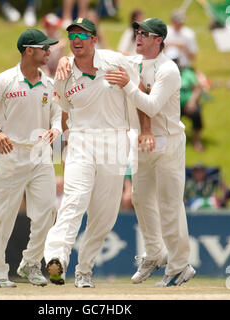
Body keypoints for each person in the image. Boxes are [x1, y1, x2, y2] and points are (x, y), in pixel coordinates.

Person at [44, 17, 140, 288]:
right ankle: (56, 258)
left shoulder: (115, 61)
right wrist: (58, 152)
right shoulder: (62, 76)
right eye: (72, 35)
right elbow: (62, 113)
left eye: (83, 35)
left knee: (105, 213)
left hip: (115, 141)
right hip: (82, 141)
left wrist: (128, 84)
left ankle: (84, 269)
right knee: (74, 199)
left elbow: (145, 78)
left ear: (94, 40)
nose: (76, 40)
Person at [105, 17, 196, 287]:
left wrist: (127, 85)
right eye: (137, 32)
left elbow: (153, 106)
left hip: (168, 141)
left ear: (159, 40)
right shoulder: (134, 62)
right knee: (140, 198)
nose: (139, 36)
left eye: (145, 33)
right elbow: (106, 57)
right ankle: (155, 253)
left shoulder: (169, 69)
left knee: (169, 204)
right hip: (142, 141)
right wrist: (68, 59)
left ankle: (179, 266)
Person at [0, 29, 62, 288]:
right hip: (10, 152)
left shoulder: (49, 84)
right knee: (1, 216)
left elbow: (58, 115)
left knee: (48, 212)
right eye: (44, 48)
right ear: (29, 50)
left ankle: (31, 264)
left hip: (40, 153)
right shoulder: (4, 80)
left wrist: (55, 130)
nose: (49, 52)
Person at [41, 13, 67, 78]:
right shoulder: (41, 36)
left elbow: (62, 44)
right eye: (53, 27)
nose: (56, 28)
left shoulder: (57, 34)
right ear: (48, 27)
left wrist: (60, 47)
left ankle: (59, 70)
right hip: (43, 67)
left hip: (55, 66)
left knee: (62, 47)